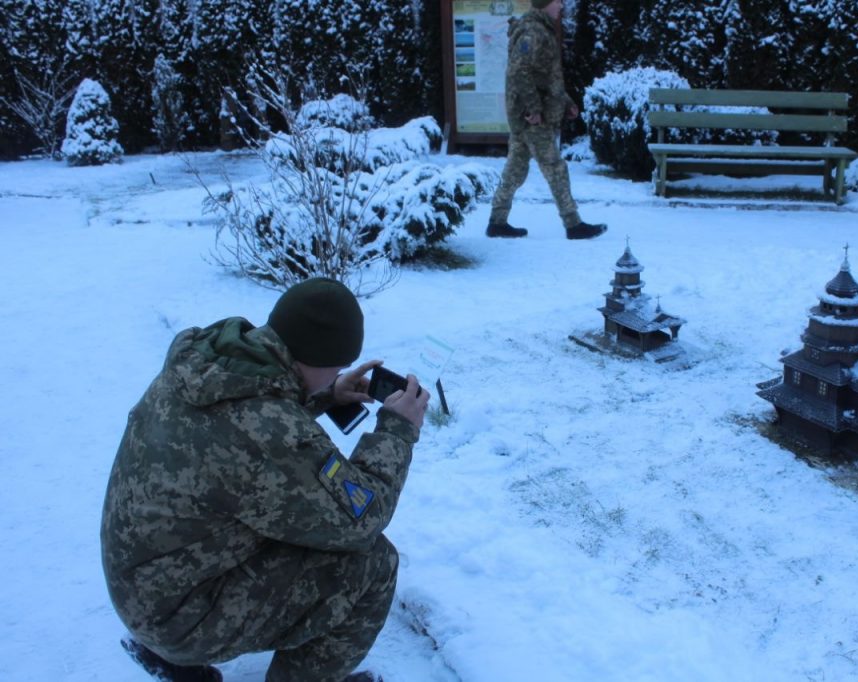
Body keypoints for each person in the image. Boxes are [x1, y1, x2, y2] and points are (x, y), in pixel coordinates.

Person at [100, 278, 430, 682]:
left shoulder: (209, 363)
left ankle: (174, 658)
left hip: (141, 581)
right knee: (373, 564)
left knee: (291, 517)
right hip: (173, 618)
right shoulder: (271, 431)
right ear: (318, 358)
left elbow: (246, 430)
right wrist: (397, 430)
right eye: (337, 367)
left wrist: (326, 394)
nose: (339, 373)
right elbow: (362, 519)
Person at [486, 0, 607, 241]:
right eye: (557, 1)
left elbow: (547, 78)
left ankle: (497, 222)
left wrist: (567, 102)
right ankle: (573, 224)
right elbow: (519, 72)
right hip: (532, 118)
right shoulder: (533, 31)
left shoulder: (541, 29)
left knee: (515, 170)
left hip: (528, 116)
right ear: (544, 4)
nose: (561, 6)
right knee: (555, 167)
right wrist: (534, 108)